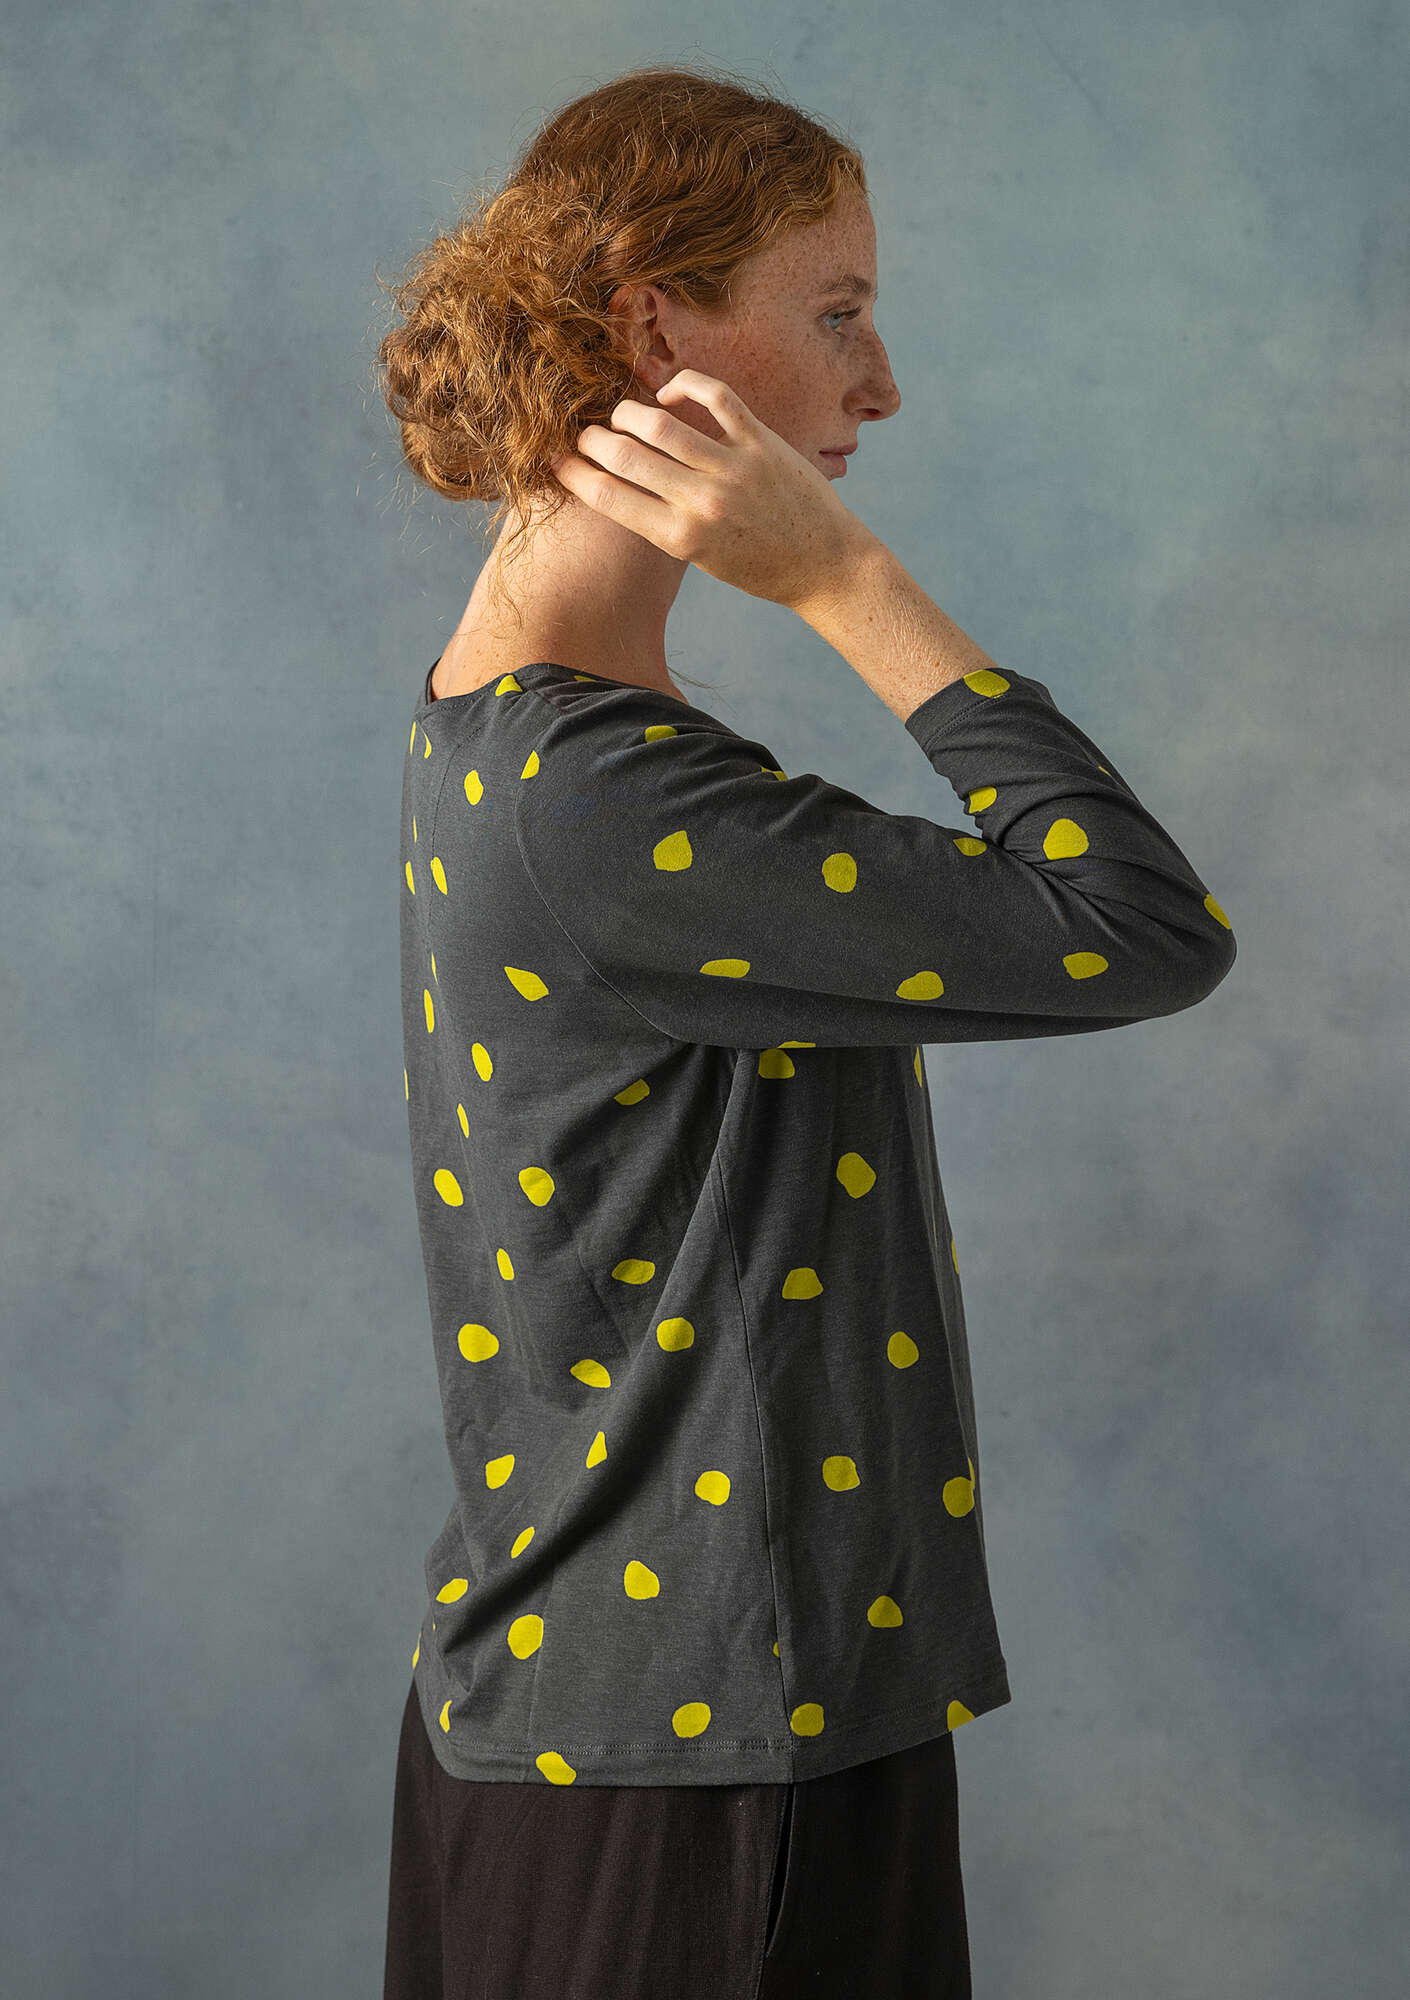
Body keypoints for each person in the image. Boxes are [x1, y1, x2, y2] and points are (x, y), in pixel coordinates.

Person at [374, 60, 1236, 2000]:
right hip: (700, 1762)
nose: (880, 383)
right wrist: (847, 583)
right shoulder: (604, 801)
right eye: (836, 311)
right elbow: (1138, 923)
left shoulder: (511, 720)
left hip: (654, 1720)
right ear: (654, 331)